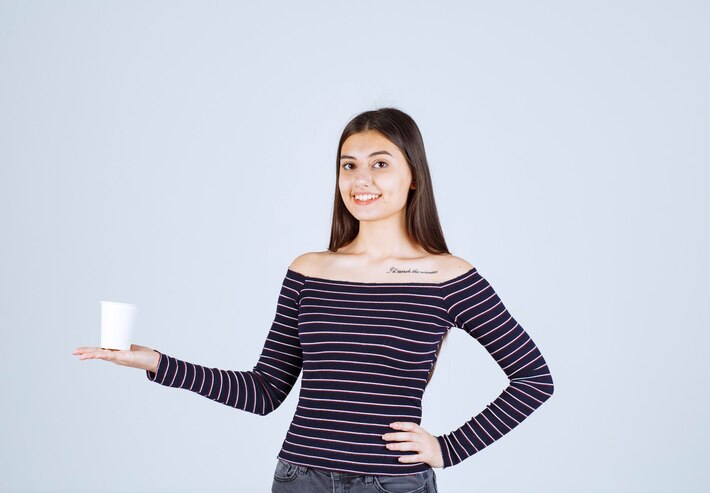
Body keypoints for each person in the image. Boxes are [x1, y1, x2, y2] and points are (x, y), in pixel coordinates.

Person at [73, 107, 555, 493]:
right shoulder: (309, 270)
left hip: (390, 483)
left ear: (413, 176)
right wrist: (156, 362)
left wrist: (448, 448)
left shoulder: (447, 275)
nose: (360, 180)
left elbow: (534, 378)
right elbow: (264, 391)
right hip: (299, 478)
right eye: (349, 166)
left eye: (380, 164)